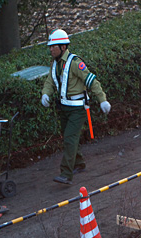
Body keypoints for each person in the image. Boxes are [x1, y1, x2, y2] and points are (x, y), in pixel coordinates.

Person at [41, 29, 111, 185]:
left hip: (77, 109)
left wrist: (102, 100)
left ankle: (66, 173)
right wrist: (45, 94)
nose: (51, 49)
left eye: (54, 46)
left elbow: (92, 81)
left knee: (69, 138)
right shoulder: (55, 63)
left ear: (63, 47)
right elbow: (49, 82)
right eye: (50, 47)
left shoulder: (74, 63)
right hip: (64, 108)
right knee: (70, 137)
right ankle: (79, 164)